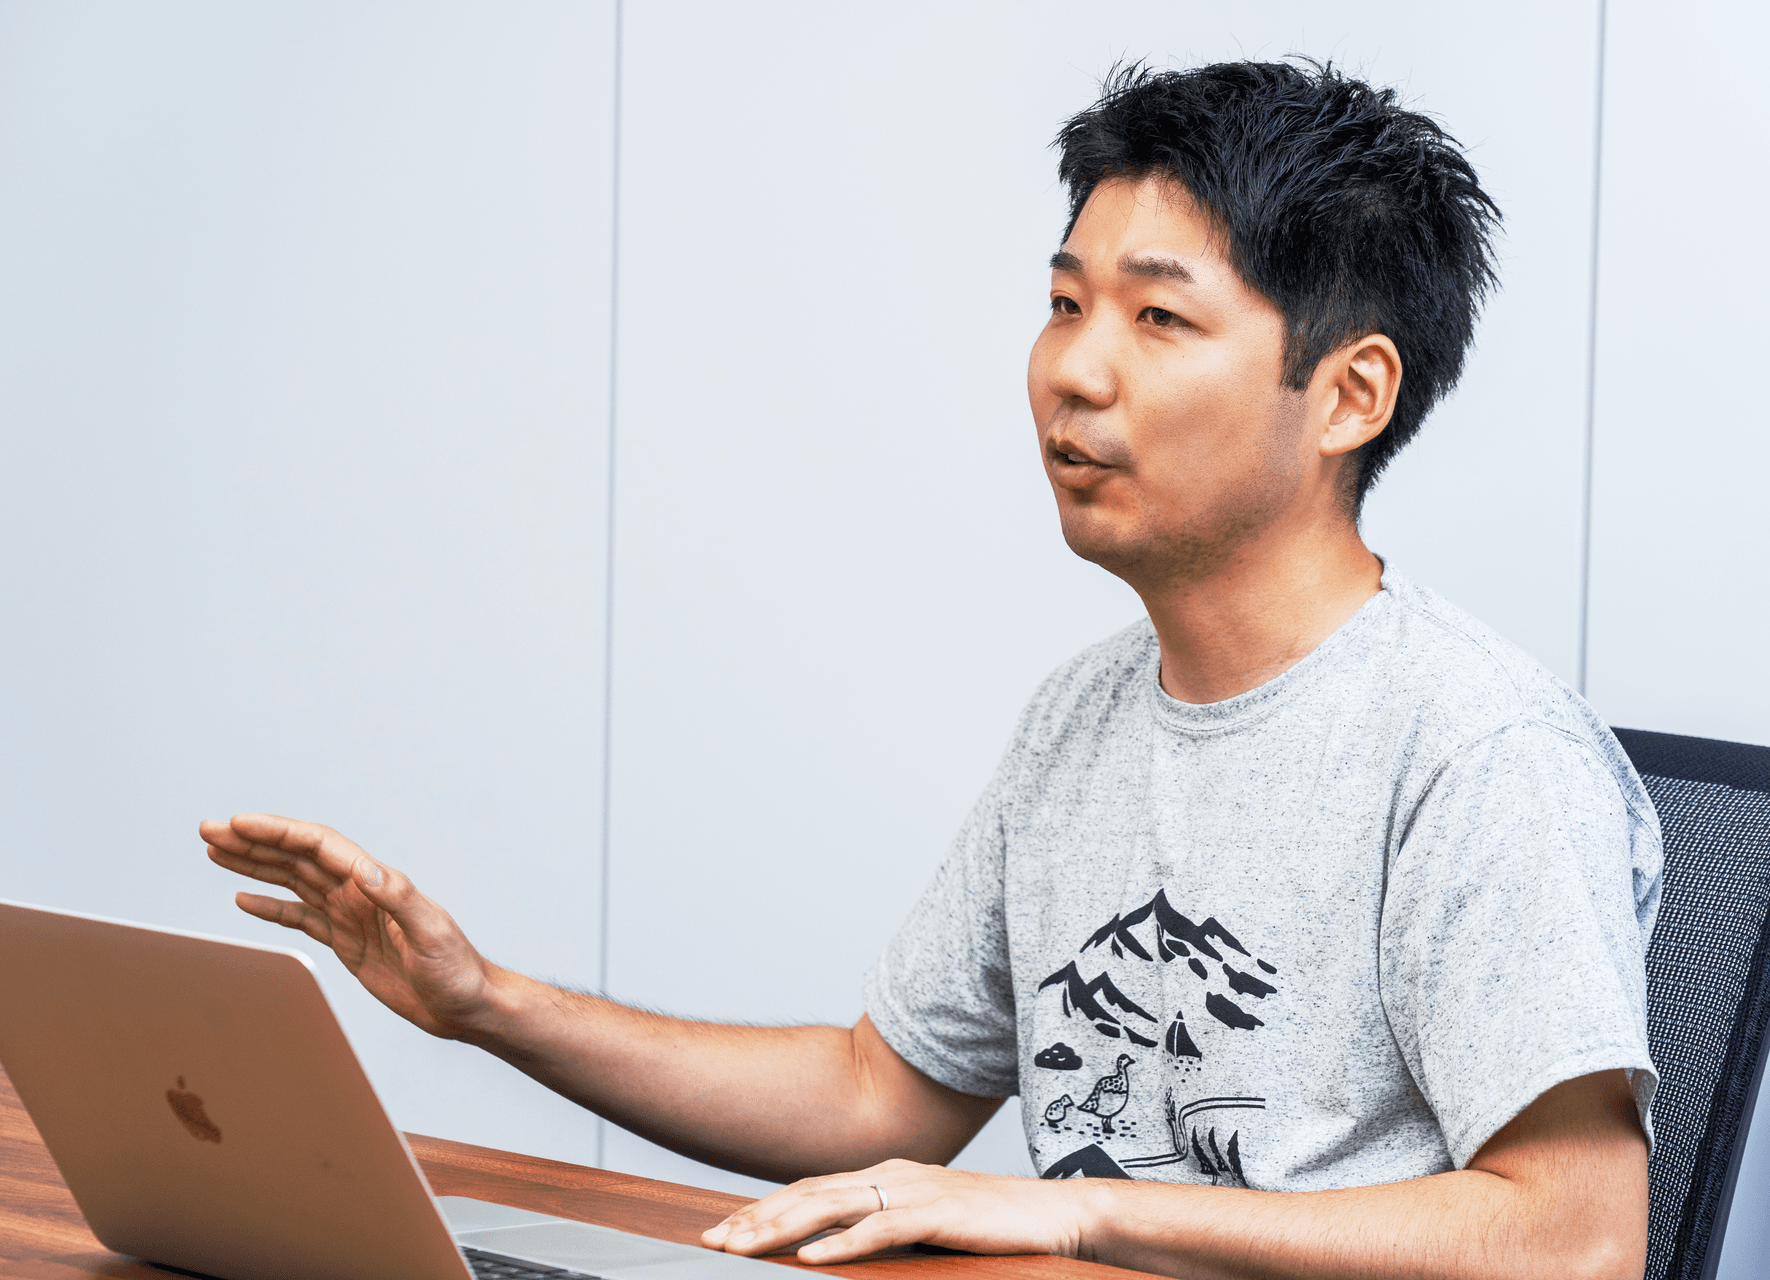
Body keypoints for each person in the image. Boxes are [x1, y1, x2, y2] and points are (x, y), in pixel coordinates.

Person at [204, 60, 1662, 1280]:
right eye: (1064, 301)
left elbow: (1577, 1240)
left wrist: (1078, 1206)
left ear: (1349, 392)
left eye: (1159, 320)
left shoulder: (1478, 749)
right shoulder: (1086, 717)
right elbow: (874, 1095)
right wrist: (485, 1002)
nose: (1075, 372)